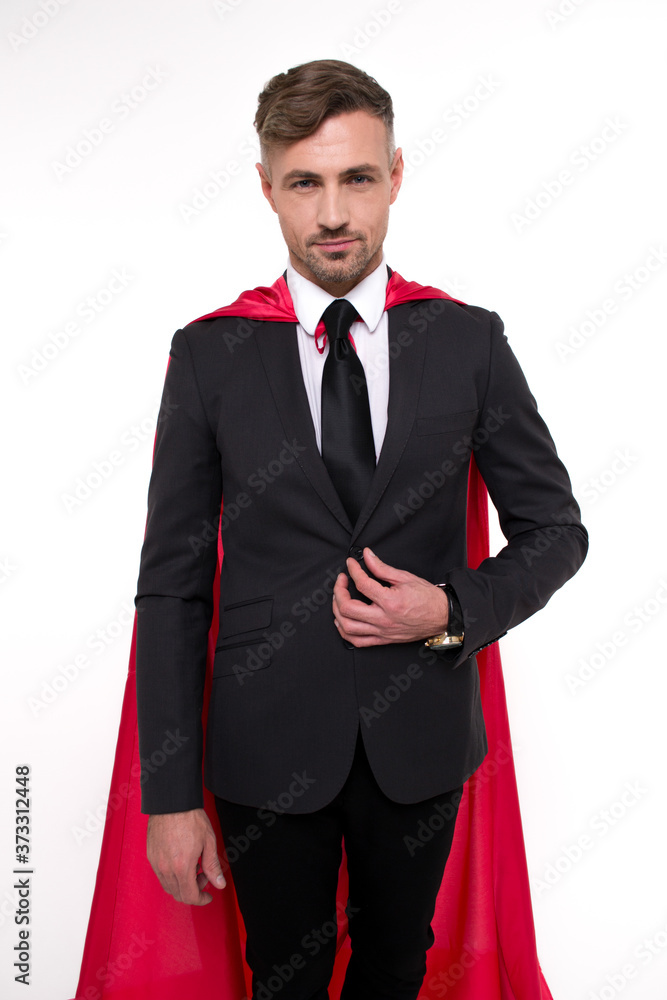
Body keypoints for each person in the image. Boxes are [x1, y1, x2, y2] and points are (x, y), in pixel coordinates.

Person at [134, 58, 588, 1000]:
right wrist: (170, 796)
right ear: (267, 188)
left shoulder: (465, 342)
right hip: (263, 747)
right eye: (305, 182)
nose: (333, 213)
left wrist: (452, 607)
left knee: (394, 971)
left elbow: (555, 530)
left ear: (394, 177)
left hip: (416, 741)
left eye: (356, 178)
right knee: (280, 980)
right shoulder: (211, 354)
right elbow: (172, 585)